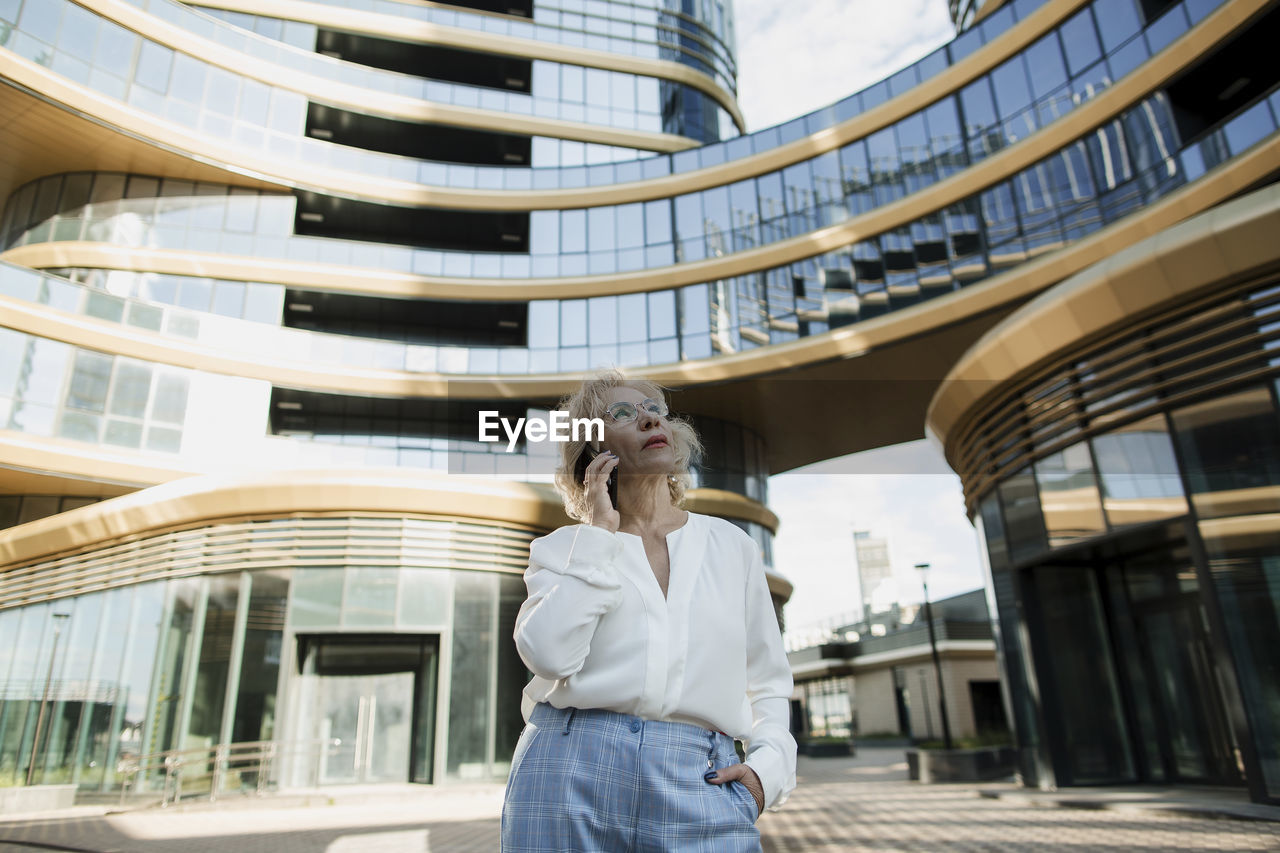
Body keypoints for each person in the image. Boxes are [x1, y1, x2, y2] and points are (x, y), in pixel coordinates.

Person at [501, 371, 796, 852]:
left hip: (702, 780)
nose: (647, 419)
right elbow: (548, 656)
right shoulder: (562, 549)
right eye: (621, 413)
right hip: (565, 775)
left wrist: (768, 772)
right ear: (595, 451)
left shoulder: (731, 546)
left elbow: (768, 681)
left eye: (653, 410)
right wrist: (598, 536)